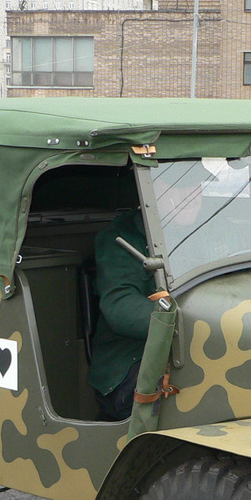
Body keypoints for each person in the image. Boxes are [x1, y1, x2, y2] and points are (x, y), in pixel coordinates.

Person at [87, 179, 201, 422]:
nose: (188, 195)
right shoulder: (121, 237)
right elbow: (120, 306)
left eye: (193, 185)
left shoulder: (212, 227)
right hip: (130, 359)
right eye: (175, 185)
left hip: (198, 349)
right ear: (149, 191)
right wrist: (185, 322)